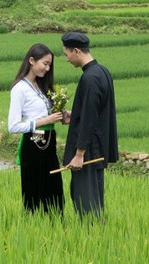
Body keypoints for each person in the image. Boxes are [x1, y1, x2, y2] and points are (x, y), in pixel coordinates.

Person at [60, 31, 118, 217]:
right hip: (97, 148)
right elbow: (94, 112)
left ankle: (90, 238)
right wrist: (74, 116)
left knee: (85, 202)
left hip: (89, 152)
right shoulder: (102, 71)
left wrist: (79, 154)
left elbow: (90, 118)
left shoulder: (90, 79)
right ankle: (95, 237)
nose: (67, 59)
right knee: (93, 200)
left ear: (76, 51)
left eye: (66, 54)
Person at [7, 43, 65, 213]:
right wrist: (44, 120)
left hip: (49, 144)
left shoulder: (41, 87)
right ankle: (34, 231)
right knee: (34, 194)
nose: (47, 69)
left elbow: (46, 115)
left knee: (55, 193)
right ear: (31, 60)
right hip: (33, 144)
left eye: (49, 65)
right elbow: (13, 126)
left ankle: (55, 229)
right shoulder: (20, 89)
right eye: (45, 64)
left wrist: (61, 115)